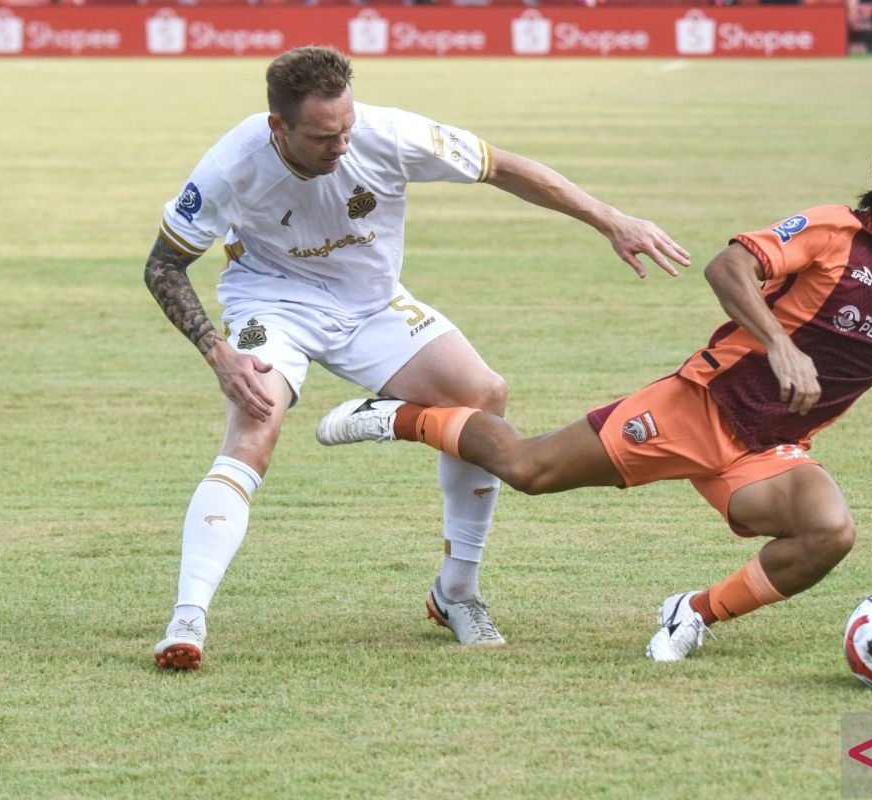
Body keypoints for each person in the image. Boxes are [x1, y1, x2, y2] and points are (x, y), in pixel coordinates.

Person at [316, 87, 872, 662]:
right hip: (699, 407)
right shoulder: (832, 234)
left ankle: (692, 613)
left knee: (827, 533)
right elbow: (730, 268)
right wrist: (779, 344)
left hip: (770, 450)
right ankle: (397, 417)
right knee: (529, 469)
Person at [146, 46, 690, 671]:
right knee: (253, 431)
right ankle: (187, 618)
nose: (342, 146)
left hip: (373, 304)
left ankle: (456, 590)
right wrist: (217, 352)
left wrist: (608, 218)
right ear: (279, 128)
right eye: (325, 136)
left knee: (483, 393)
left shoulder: (390, 134)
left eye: (347, 127)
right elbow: (163, 263)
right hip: (274, 302)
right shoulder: (231, 165)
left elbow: (502, 167)